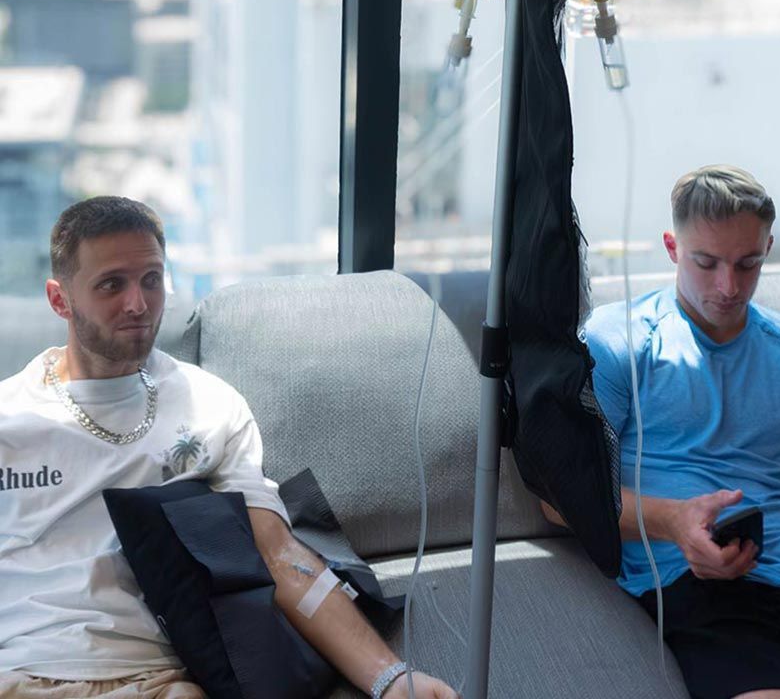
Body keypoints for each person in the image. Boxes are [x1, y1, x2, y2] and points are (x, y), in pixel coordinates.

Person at [0, 196, 456, 699]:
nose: (138, 304)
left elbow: (278, 554)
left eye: (151, 279)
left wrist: (389, 678)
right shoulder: (10, 417)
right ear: (60, 299)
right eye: (112, 284)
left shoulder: (209, 405)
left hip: (156, 683)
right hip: (19, 673)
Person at [553, 165, 780, 699]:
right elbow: (559, 499)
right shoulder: (616, 344)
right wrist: (674, 522)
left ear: (768, 249)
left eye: (748, 264)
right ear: (672, 248)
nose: (728, 286)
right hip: (711, 594)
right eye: (707, 262)